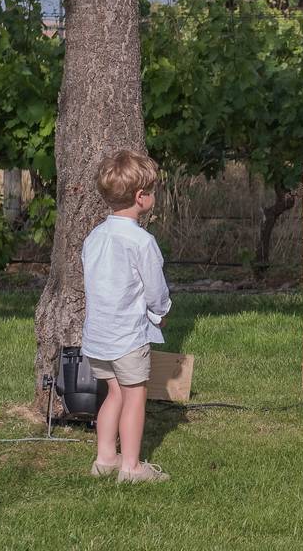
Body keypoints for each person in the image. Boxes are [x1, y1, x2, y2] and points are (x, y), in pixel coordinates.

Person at [82, 149, 171, 483]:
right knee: (134, 396)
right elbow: (155, 290)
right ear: (141, 197)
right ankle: (131, 467)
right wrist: (161, 313)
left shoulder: (94, 237)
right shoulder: (141, 242)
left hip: (97, 338)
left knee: (113, 393)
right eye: (153, 191)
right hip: (127, 338)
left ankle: (105, 458)